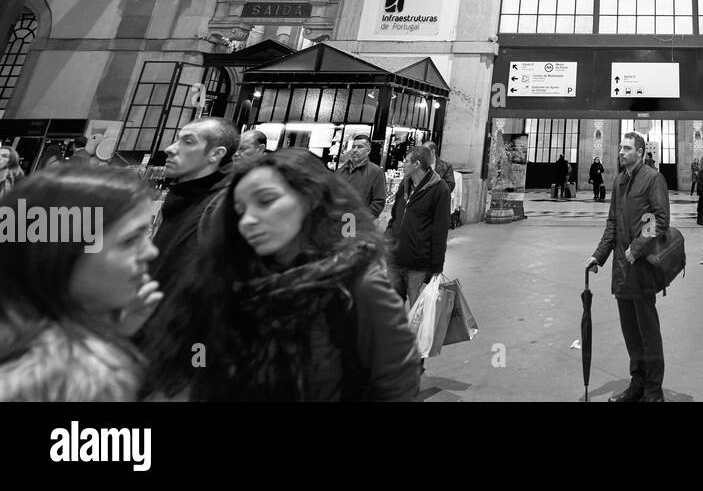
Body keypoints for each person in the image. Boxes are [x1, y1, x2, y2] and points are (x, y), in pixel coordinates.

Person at [142, 149, 421, 401]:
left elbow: (395, 381)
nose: (249, 219)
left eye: (266, 201)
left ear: (309, 198)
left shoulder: (355, 284)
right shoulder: (225, 275)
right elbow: (198, 357)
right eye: (240, 211)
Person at [0, 163, 161, 400]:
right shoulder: (85, 378)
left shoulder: (19, 328)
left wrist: (107, 331)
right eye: (129, 240)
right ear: (60, 254)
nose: (150, 252)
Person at [586, 132, 670, 402]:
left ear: (641, 152)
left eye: (627, 148)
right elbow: (612, 223)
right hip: (622, 271)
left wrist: (636, 248)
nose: (621, 152)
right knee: (631, 333)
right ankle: (638, 383)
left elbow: (660, 219)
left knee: (648, 332)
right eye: (620, 147)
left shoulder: (653, 178)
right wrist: (598, 256)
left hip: (643, 267)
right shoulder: (620, 181)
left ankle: (654, 391)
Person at [152, 118, 238, 294]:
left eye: (188, 142)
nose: (170, 149)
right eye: (177, 139)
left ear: (215, 154)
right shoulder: (181, 194)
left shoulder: (222, 207)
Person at [385, 145, 451, 310]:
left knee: (417, 311)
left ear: (417, 164)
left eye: (406, 161)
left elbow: (440, 230)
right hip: (395, 258)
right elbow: (395, 217)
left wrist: (436, 266)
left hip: (418, 263)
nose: (403, 164)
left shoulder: (440, 189)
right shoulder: (404, 185)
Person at [336, 134, 388, 218]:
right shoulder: (340, 171)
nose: (355, 150)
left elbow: (378, 202)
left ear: (368, 151)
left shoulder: (376, 172)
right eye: (353, 147)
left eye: (360, 147)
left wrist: (362, 220)